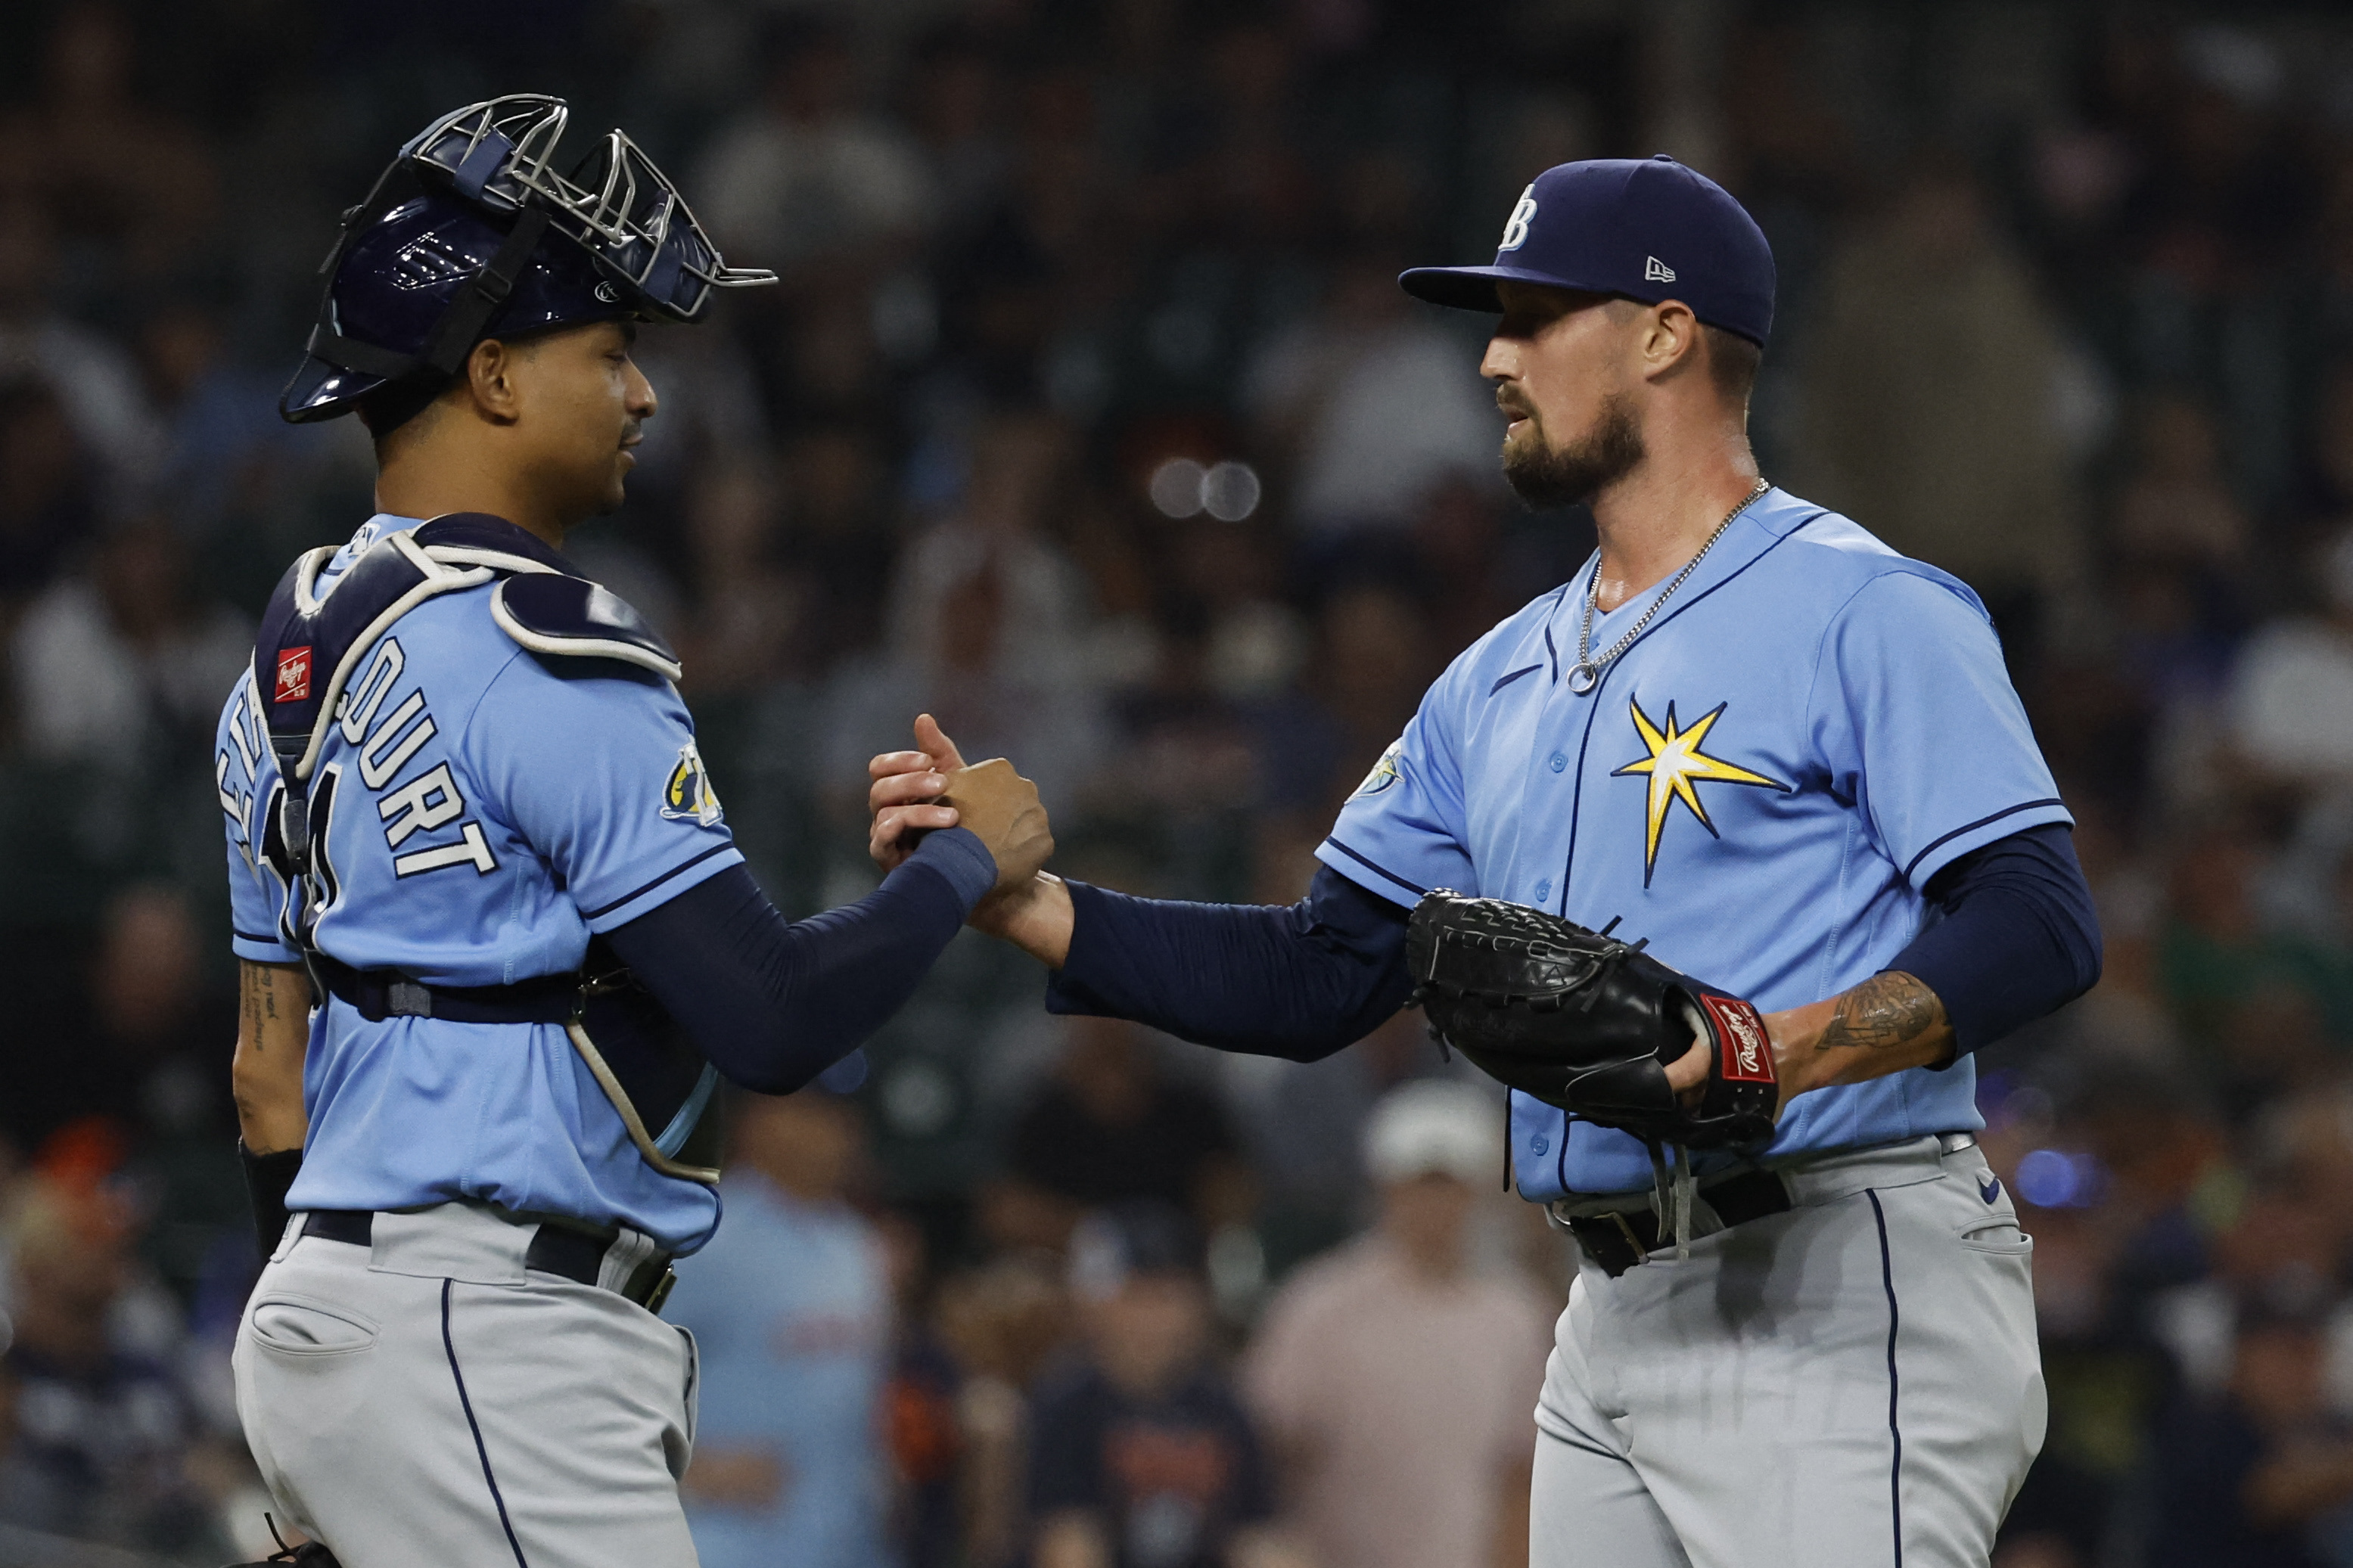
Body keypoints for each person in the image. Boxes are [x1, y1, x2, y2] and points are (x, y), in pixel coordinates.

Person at [871, 156, 2103, 1566]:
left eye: (1534, 316)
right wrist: (1026, 904)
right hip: (1611, 1310)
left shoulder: (1865, 606)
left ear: (1662, 333)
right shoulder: (1494, 679)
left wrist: (1782, 1045)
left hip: (1835, 1271)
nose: (1493, 358)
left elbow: (2038, 918)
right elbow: (1323, 970)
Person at [215, 98, 1051, 1566]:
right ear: (489, 375)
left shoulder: (284, 659)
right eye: (607, 354)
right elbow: (775, 1016)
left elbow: (266, 1074)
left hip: (334, 1315)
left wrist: (331, 1410)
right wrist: (968, 860)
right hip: (493, 1328)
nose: (642, 395)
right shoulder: (542, 635)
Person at [1244, 1081, 1555, 1568]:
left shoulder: (1516, 1315)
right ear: (1385, 1188)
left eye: (1448, 1184)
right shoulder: (1317, 1306)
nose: (1434, 1204)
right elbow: (1266, 1450)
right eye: (1418, 1184)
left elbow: (1523, 1473)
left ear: (1474, 1193)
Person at [668, 1091, 895, 1568]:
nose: (836, 1134)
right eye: (815, 1114)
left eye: (843, 1116)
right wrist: (687, 1473)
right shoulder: (704, 1236)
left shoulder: (860, 1247)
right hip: (725, 1544)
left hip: (845, 1543)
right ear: (759, 1121)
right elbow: (608, 1368)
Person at [1027, 1201, 1306, 1568]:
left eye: (1169, 1296)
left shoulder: (1221, 1407)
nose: (1153, 1318)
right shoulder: (1067, 1405)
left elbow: (1256, 1536)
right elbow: (1067, 1545)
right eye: (1137, 1297)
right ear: (1092, 1306)